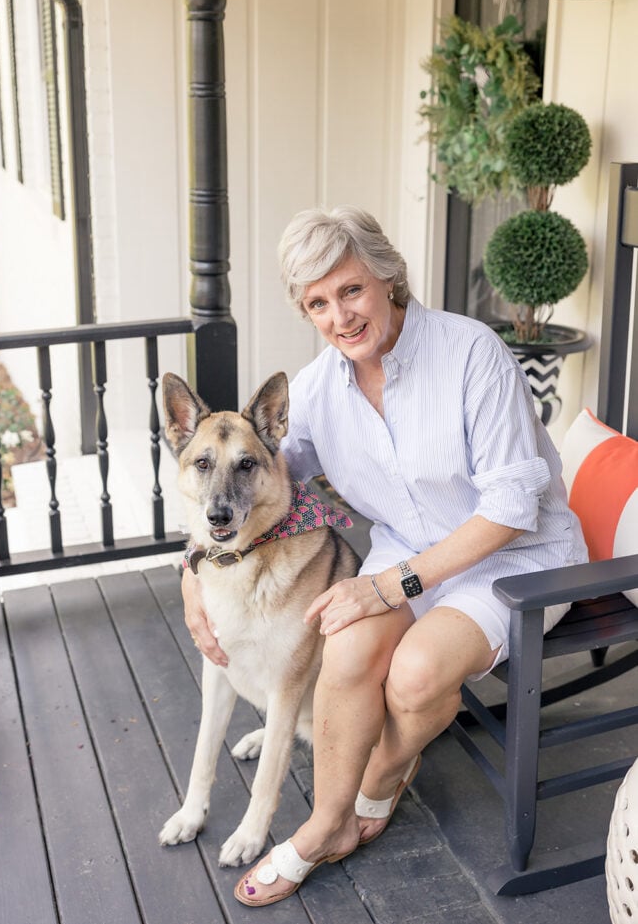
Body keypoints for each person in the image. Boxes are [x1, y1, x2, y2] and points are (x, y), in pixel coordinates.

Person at [182, 205, 588, 908]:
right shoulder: (318, 390)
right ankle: (341, 808)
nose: (340, 317)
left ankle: (353, 803)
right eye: (318, 303)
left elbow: (510, 508)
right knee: (342, 648)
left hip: (517, 559)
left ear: (388, 277)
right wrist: (195, 571)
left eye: (351, 290)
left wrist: (389, 586)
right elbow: (254, 479)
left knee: (415, 673)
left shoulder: (471, 353)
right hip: (409, 552)